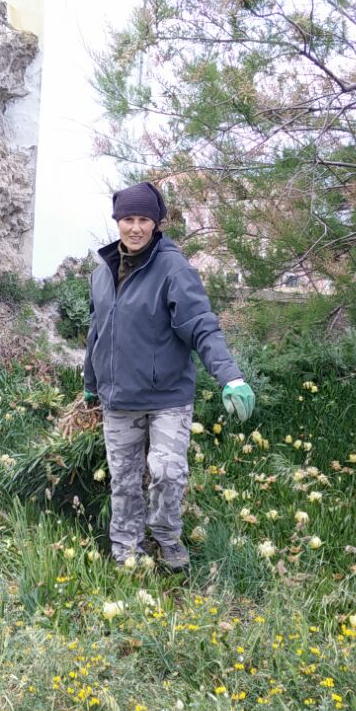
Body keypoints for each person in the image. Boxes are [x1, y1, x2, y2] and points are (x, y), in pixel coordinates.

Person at [82, 181, 256, 570]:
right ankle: (126, 546)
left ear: (157, 223)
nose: (136, 227)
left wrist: (231, 377)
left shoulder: (173, 269)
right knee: (124, 480)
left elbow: (200, 326)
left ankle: (166, 537)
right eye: (128, 219)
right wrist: (90, 385)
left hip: (167, 398)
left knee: (166, 473)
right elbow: (96, 333)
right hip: (119, 399)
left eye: (145, 219)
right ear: (117, 222)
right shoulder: (101, 274)